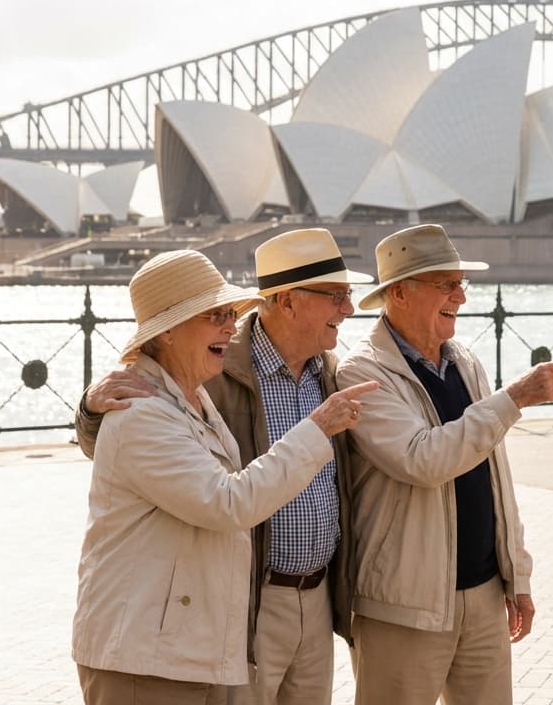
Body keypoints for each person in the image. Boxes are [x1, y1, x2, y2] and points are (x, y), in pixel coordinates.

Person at [76, 228, 375, 705]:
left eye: (229, 314)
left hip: (293, 603)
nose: (229, 326)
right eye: (335, 295)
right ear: (288, 301)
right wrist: (89, 410)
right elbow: (222, 498)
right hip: (206, 622)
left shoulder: (322, 372)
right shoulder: (185, 386)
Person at [335, 223, 553, 705]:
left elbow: (496, 478)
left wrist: (516, 574)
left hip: (485, 596)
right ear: (400, 293)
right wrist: (514, 398)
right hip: (405, 609)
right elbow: (422, 458)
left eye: (460, 283)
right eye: (446, 284)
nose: (461, 296)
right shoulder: (360, 372)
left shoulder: (464, 359)